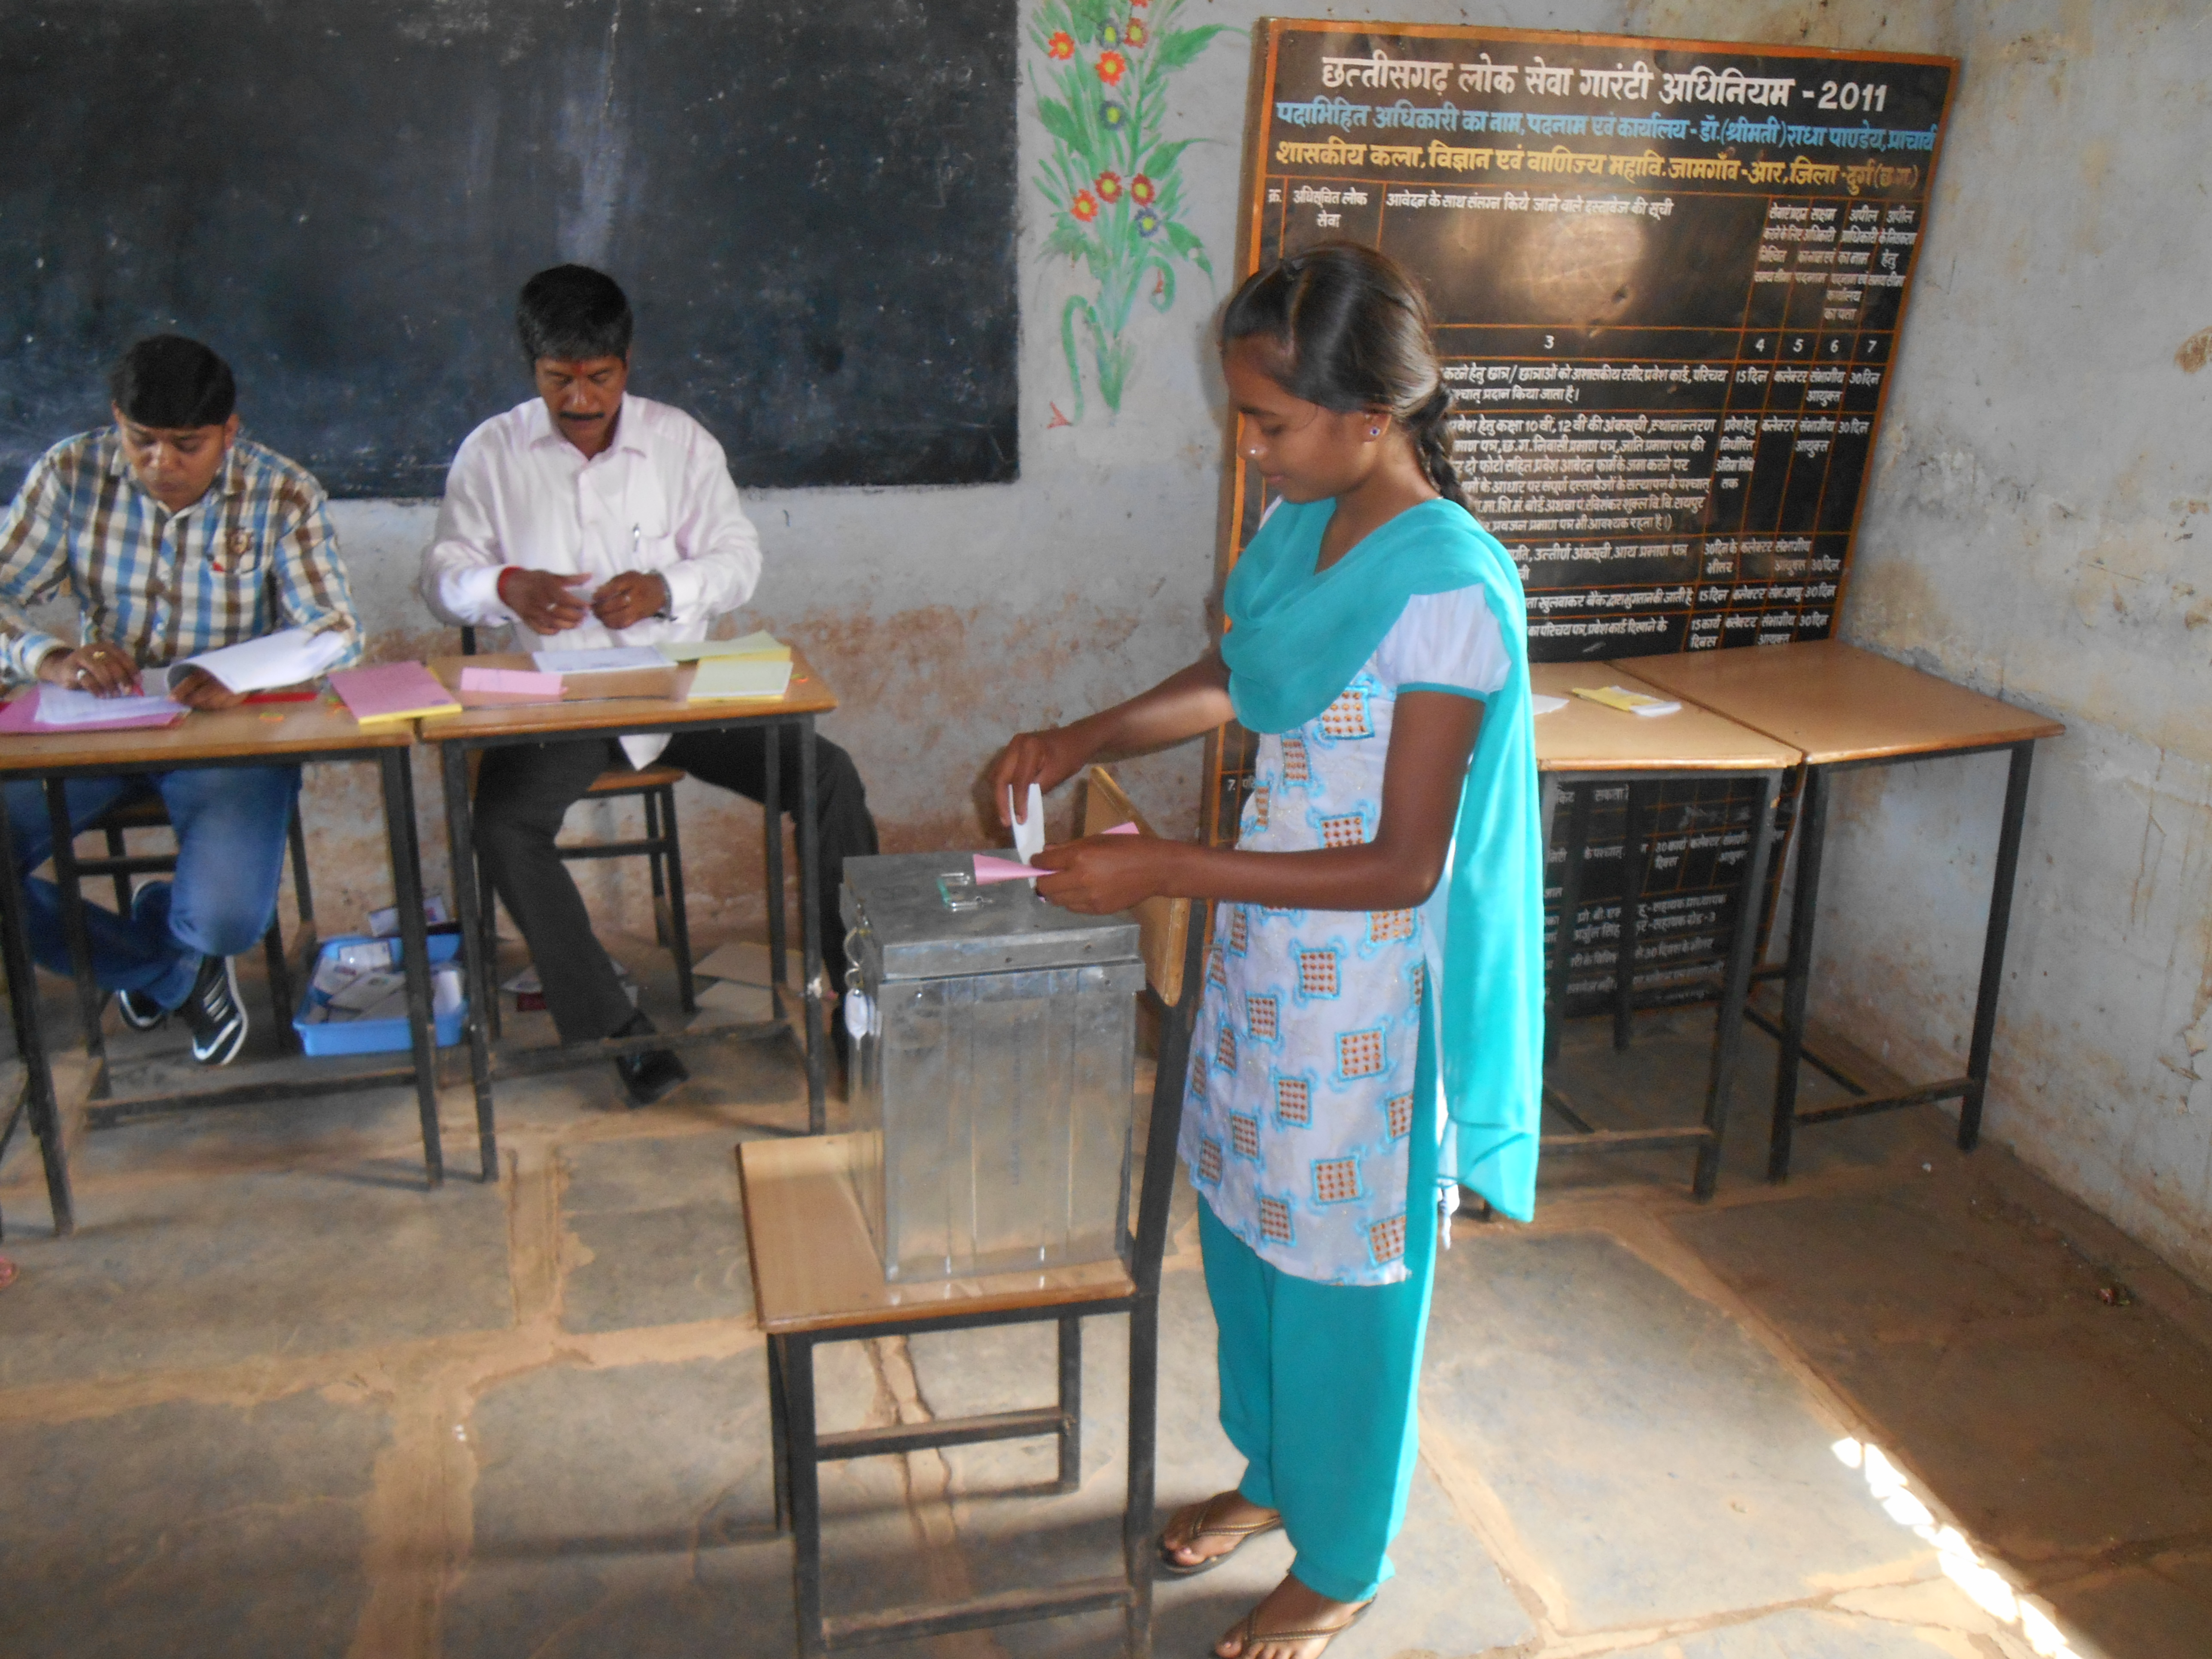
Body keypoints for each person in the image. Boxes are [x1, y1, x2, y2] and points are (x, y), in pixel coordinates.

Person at [991, 244, 1543, 1659]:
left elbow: (1404, 862)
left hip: (1367, 994)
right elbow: (1246, 676)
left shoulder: (1448, 588)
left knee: (1343, 1279)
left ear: (1373, 416)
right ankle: (1276, 1475)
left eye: (1269, 422)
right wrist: (1084, 738)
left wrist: (1161, 866)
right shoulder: (1309, 524)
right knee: (1246, 1233)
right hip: (1268, 971)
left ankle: (1345, 1557)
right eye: (1246, 418)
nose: (1250, 449)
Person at [420, 265, 879, 1107]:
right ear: (533, 371)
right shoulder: (492, 453)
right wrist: (504, 586)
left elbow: (739, 560)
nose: (582, 399)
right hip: (564, 698)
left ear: (626, 364)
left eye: (599, 377)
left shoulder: (681, 443)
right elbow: (443, 575)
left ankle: (862, 1005)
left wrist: (667, 589)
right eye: (560, 380)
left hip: (683, 684)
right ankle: (616, 1028)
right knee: (501, 822)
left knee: (826, 774)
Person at [0, 334, 362, 1066]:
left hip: (222, 730)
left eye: (186, 445)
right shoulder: (71, 473)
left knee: (228, 920)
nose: (160, 463)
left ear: (230, 433)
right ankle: (164, 969)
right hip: (98, 722)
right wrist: (53, 657)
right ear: (116, 421)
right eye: (142, 442)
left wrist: (246, 672)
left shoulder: (282, 491)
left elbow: (337, 632)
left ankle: (180, 945)